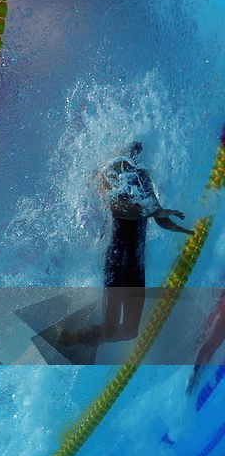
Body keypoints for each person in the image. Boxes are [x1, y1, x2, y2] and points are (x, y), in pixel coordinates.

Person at [63, 141, 193, 346]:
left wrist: (181, 229)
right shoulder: (109, 180)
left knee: (130, 332)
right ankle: (70, 338)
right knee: (109, 331)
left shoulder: (142, 178)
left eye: (135, 157)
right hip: (116, 264)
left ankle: (83, 337)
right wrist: (154, 211)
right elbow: (118, 208)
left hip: (135, 264)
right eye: (130, 156)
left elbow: (158, 214)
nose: (132, 162)